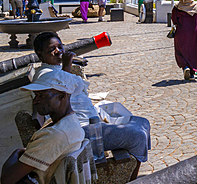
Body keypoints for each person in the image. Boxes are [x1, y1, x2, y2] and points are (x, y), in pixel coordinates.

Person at [32, 32, 150, 176]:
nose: (58, 51)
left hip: (92, 122)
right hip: (81, 130)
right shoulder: (44, 74)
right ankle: (130, 179)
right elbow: (62, 94)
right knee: (138, 136)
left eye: (60, 47)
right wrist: (67, 66)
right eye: (52, 49)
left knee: (143, 123)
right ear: (40, 55)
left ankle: (131, 171)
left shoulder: (54, 69)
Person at [171, 0, 197, 80]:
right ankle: (191, 73)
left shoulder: (177, 7)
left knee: (180, 51)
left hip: (181, 33)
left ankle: (185, 67)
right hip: (194, 33)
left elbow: (174, 20)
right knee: (194, 52)